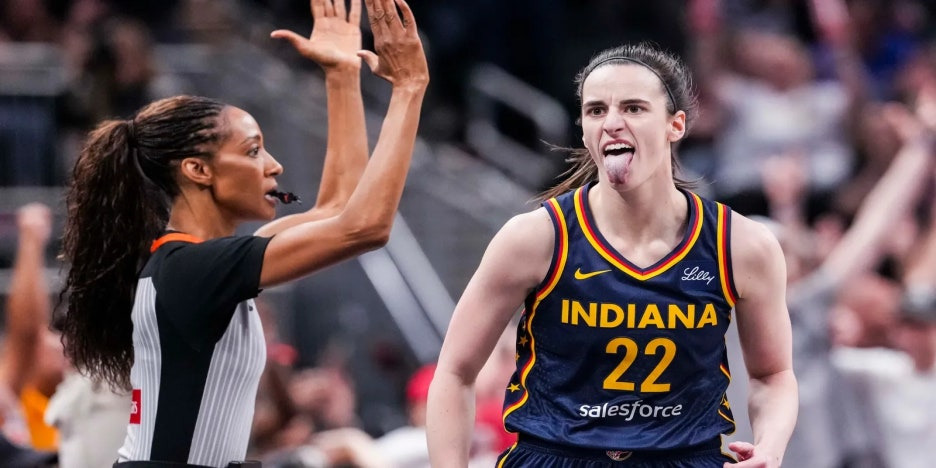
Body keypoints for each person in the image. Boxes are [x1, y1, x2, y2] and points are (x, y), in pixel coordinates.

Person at [57, 0, 428, 465]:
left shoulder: (202, 261)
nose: (275, 166)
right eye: (253, 151)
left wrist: (341, 76)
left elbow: (341, 209)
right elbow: (365, 226)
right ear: (197, 170)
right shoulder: (194, 269)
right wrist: (408, 89)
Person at [427, 43, 797, 468]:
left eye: (634, 108)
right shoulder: (534, 238)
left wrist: (769, 447)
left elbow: (773, 375)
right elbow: (454, 372)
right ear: (584, 129)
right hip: (556, 457)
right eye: (596, 110)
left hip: (683, 458)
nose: (612, 123)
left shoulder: (742, 245)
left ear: (675, 125)